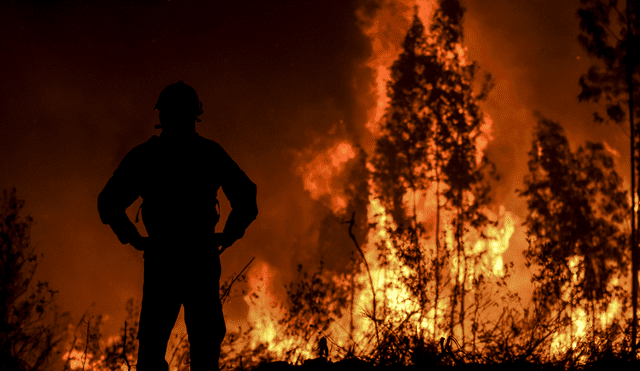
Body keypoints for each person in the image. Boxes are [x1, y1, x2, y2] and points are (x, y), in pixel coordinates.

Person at [98, 81, 258, 371]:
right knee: (204, 345)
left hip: (164, 259)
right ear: (194, 114)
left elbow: (108, 203)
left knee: (154, 345)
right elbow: (246, 197)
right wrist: (229, 235)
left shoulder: (146, 157)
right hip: (199, 257)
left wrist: (134, 237)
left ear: (162, 115)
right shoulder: (209, 153)